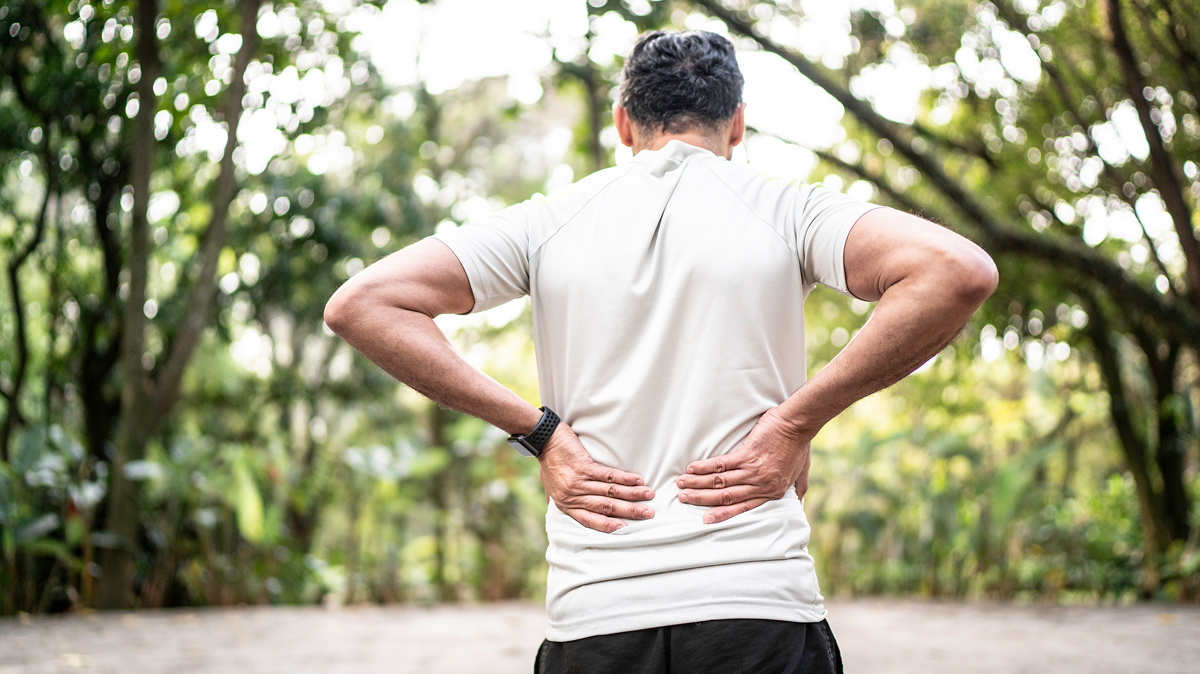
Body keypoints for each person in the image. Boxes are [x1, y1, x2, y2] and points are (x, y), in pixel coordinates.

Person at [324, 29, 997, 674]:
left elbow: (363, 305)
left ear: (624, 123)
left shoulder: (547, 222)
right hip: (756, 603)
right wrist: (796, 423)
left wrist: (541, 434)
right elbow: (955, 272)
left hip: (596, 612)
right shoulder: (787, 210)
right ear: (737, 123)